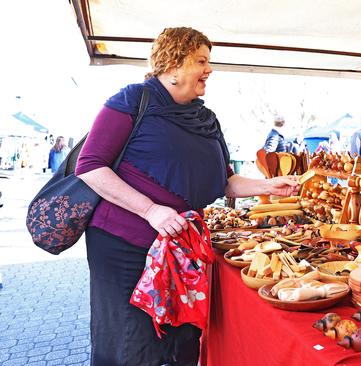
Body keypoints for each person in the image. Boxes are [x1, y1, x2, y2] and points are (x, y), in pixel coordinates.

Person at [75, 27, 299, 366]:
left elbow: (226, 182)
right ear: (173, 63)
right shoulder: (134, 100)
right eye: (201, 60)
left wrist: (268, 186)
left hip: (181, 247)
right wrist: (150, 210)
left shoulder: (205, 118)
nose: (209, 69)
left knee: (182, 340)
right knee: (130, 341)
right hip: (125, 245)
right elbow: (90, 166)